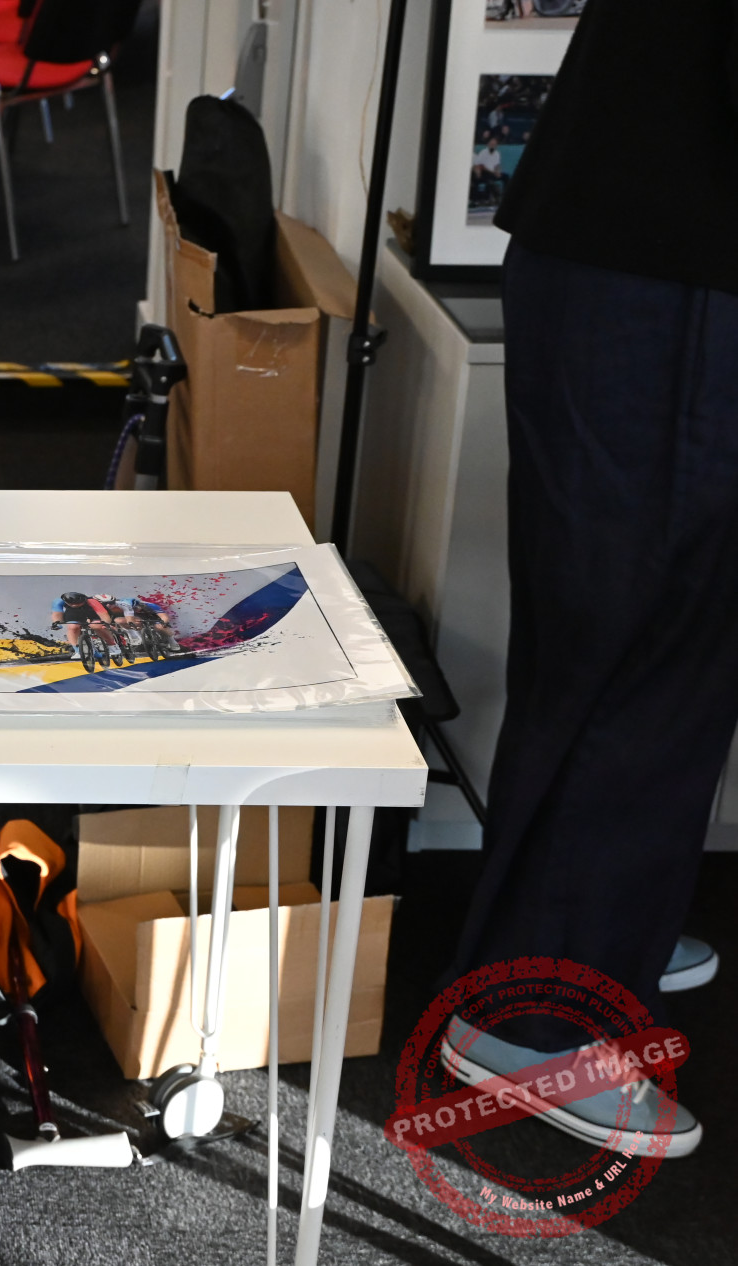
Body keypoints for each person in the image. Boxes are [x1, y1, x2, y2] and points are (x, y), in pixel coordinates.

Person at [446, 0, 734, 1159]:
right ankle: (537, 1017)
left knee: (638, 645)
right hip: (673, 258)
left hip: (653, 242)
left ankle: (604, 924)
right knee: (648, 650)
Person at [49, 592, 129, 668]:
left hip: (92, 612)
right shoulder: (58, 601)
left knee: (96, 626)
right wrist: (57, 623)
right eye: (72, 604)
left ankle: (112, 645)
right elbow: (57, 614)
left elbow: (104, 616)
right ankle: (77, 650)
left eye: (77, 603)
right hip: (74, 612)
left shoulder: (92, 601)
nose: (75, 605)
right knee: (72, 627)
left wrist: (106, 623)